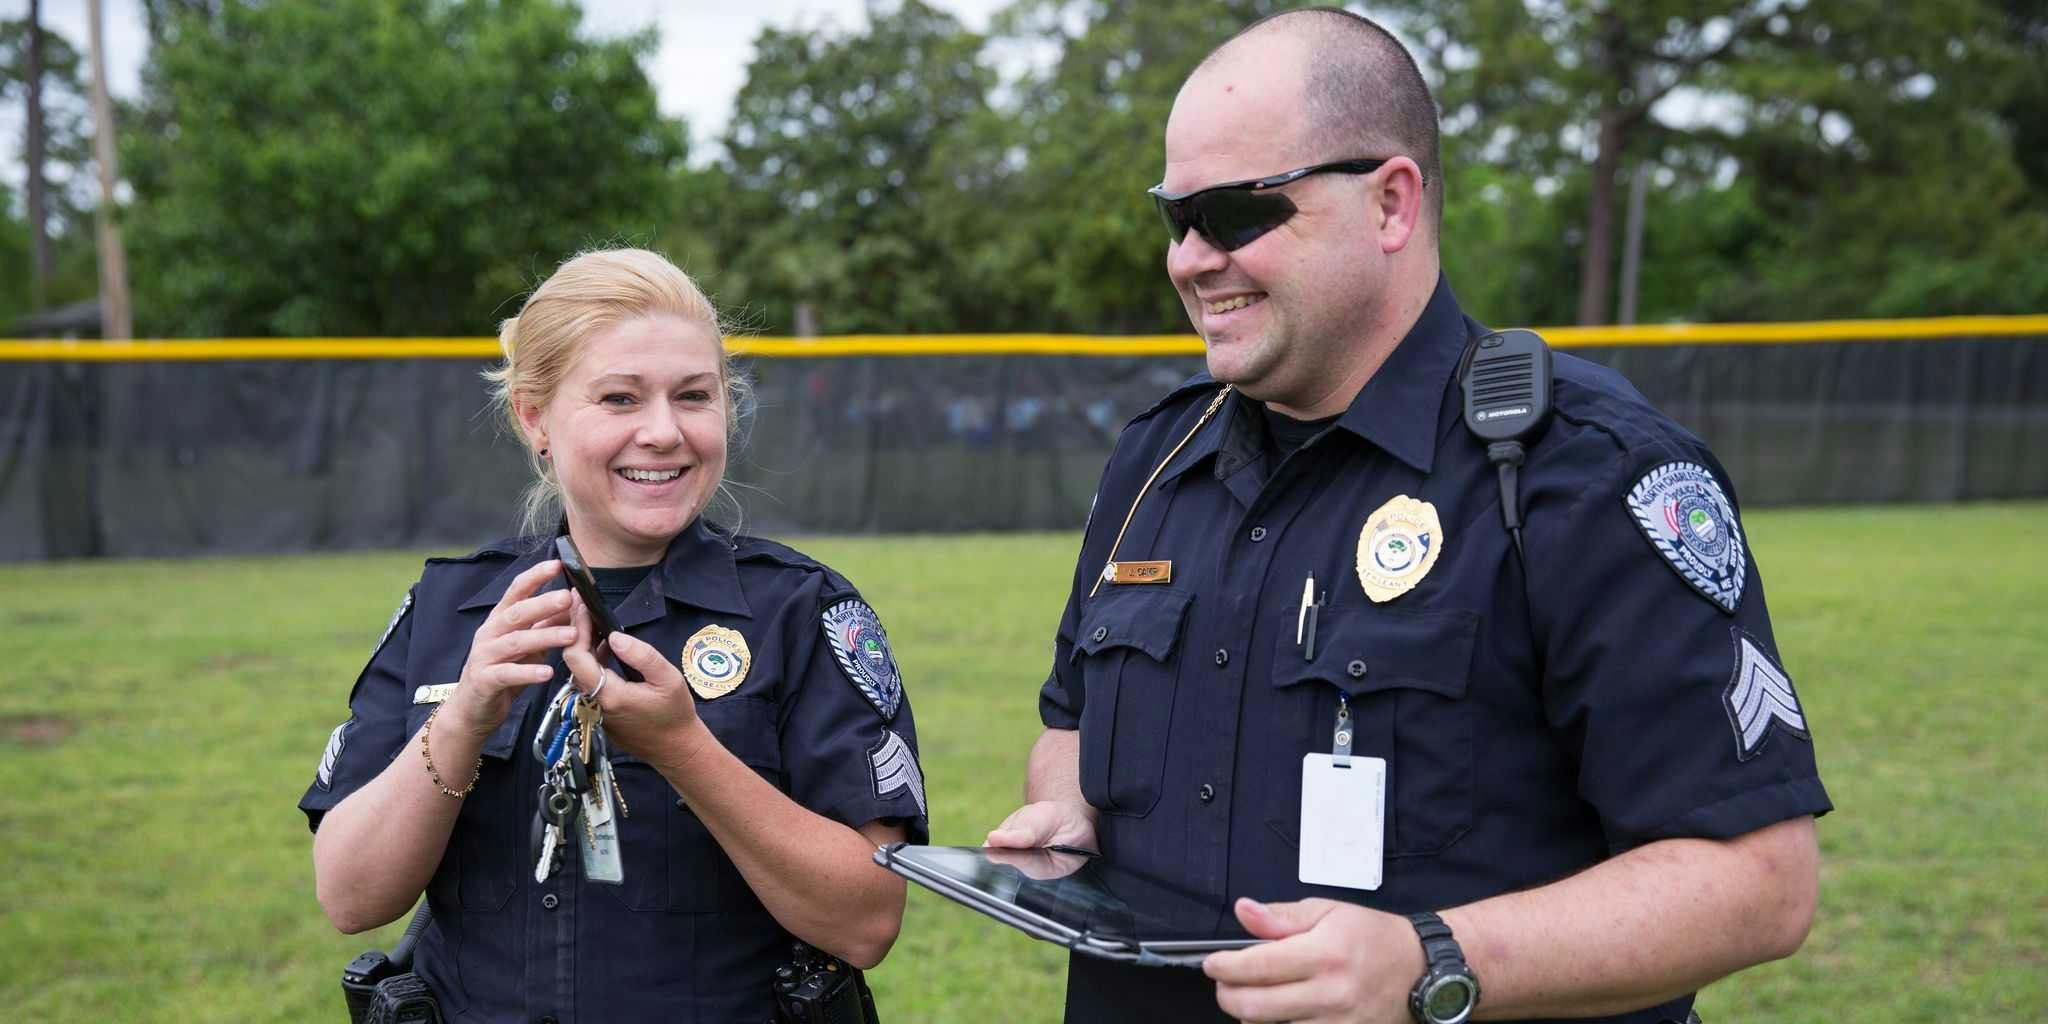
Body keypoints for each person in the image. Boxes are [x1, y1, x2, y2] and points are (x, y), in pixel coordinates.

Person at [985, 9, 1828, 1024]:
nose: (1190, 259)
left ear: (1389, 202)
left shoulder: (1586, 472)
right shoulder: (1154, 462)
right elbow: (1070, 722)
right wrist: (1069, 807)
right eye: (1177, 218)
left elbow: (1756, 880)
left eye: (1236, 214)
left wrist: (1428, 958)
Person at [301, 248, 927, 1021]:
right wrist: (462, 718)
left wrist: (683, 750)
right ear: (535, 417)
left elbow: (867, 921)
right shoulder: (449, 606)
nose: (663, 432)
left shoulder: (803, 612)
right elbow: (351, 895)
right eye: (621, 399)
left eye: (694, 396)